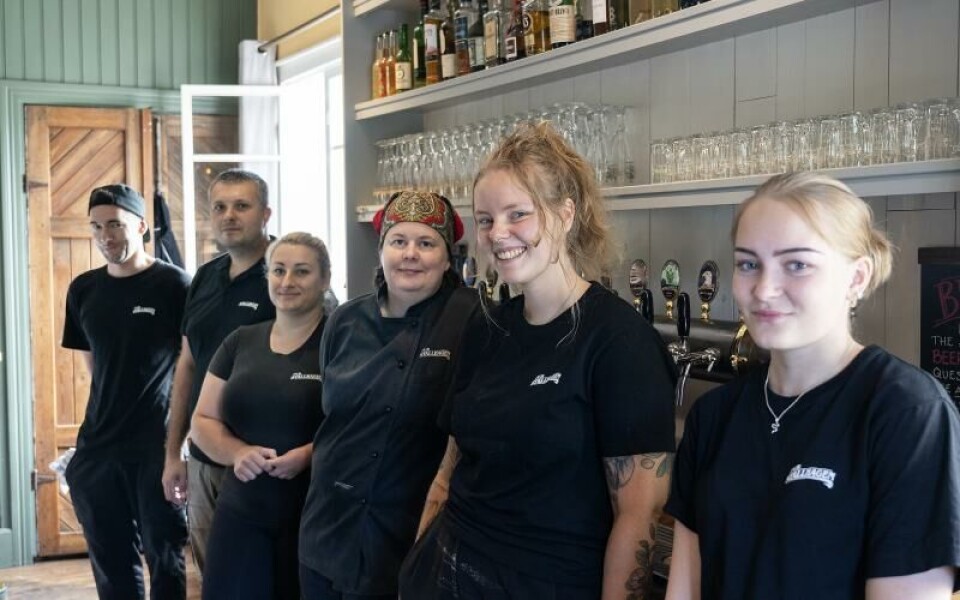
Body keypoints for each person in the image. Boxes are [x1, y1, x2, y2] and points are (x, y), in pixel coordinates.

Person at [399, 122, 677, 599]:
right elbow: (450, 466)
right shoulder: (487, 326)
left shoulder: (619, 342)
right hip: (444, 571)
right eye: (486, 220)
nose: (498, 234)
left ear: (565, 214)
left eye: (518, 214)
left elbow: (638, 520)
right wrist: (416, 563)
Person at [664, 172, 960, 600]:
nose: (764, 289)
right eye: (749, 263)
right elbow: (685, 588)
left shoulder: (907, 412)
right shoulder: (713, 417)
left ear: (857, 278)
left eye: (797, 264)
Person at [298, 190, 479, 599]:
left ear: (448, 257)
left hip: (411, 540)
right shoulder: (344, 320)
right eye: (398, 242)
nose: (410, 254)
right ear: (382, 251)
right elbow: (329, 418)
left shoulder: (471, 320)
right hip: (326, 532)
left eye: (426, 243)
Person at [62, 184, 191, 600]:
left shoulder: (175, 285)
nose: (106, 236)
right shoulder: (83, 290)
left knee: (165, 555)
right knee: (110, 559)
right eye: (97, 227)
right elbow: (95, 366)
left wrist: (178, 448)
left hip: (156, 442)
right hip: (98, 447)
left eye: (115, 225)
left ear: (140, 225)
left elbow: (192, 366)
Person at [191, 232, 331, 599]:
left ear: (324, 280)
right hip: (241, 511)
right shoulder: (240, 341)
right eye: (279, 270)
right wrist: (237, 452)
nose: (287, 282)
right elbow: (203, 421)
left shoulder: (343, 341)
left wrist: (308, 454)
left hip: (313, 516)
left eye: (301, 272)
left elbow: (363, 425)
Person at [161, 168, 275, 573]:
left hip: (264, 459)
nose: (229, 216)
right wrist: (174, 452)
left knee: (263, 577)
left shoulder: (287, 274)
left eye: (242, 206)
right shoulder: (205, 277)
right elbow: (187, 365)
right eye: (220, 207)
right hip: (205, 455)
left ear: (265, 214)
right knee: (214, 575)